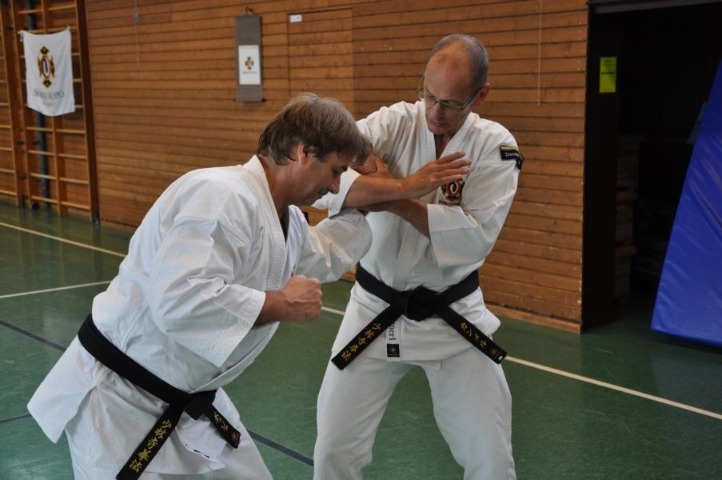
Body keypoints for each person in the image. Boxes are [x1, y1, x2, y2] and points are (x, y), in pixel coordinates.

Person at [26, 93, 460, 480]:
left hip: (189, 397)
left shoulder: (280, 214)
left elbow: (319, 253)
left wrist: (371, 204)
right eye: (335, 171)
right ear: (303, 151)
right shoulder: (220, 195)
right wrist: (279, 304)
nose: (335, 186)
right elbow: (180, 300)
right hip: (120, 403)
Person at [313, 34, 523, 479]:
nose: (434, 112)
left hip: (453, 314)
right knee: (333, 448)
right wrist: (407, 186)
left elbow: (472, 239)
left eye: (450, 103)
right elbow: (325, 180)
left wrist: (388, 197)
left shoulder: (495, 147)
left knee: (492, 458)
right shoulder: (391, 123)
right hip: (373, 309)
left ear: (481, 95)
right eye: (429, 95)